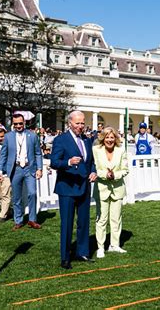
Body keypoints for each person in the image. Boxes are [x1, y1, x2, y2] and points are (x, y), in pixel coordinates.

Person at [50, 110, 97, 270]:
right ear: (69, 123)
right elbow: (54, 162)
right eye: (77, 123)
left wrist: (93, 171)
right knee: (67, 224)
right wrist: (68, 162)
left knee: (83, 222)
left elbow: (90, 161)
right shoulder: (60, 140)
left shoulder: (87, 140)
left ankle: (82, 252)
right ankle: (65, 257)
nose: (80, 126)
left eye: (83, 123)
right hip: (67, 188)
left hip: (84, 186)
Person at [0, 113, 43, 231]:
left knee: (32, 193)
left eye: (20, 123)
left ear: (24, 123)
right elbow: (3, 155)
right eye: (16, 123)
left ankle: (32, 220)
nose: (18, 126)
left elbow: (38, 153)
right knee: (16, 197)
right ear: (13, 124)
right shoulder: (8, 136)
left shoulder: (32, 136)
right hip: (15, 169)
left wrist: (39, 168)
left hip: (29, 168)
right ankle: (18, 220)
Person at [93, 127, 129, 259]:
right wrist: (105, 175)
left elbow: (125, 169)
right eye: (107, 137)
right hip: (101, 189)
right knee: (101, 219)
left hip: (117, 189)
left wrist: (115, 175)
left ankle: (115, 245)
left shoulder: (121, 150)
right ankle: (100, 247)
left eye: (112, 137)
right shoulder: (96, 150)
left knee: (116, 219)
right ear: (103, 138)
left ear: (116, 139)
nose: (109, 140)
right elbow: (95, 168)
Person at [0, 128, 12, 223]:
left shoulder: (11, 147)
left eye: (2, 136)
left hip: (7, 174)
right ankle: (9, 211)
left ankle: (2, 215)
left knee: (6, 195)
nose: (0, 138)